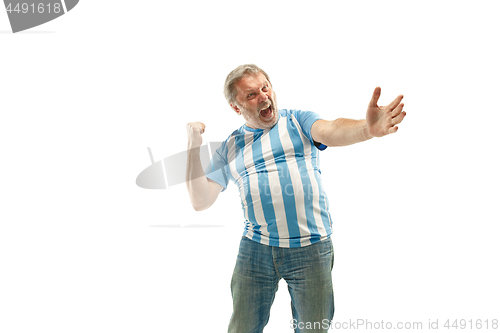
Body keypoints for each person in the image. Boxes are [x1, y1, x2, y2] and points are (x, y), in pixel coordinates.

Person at [185, 64, 406, 333]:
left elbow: (332, 130)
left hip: (311, 248)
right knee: (242, 328)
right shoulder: (230, 147)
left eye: (265, 87)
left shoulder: (297, 121)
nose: (264, 97)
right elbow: (200, 201)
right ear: (236, 107)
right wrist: (193, 145)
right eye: (252, 95)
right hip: (256, 248)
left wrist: (366, 130)